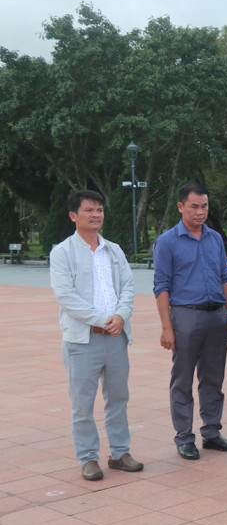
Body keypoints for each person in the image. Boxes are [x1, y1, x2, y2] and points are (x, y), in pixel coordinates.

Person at [50, 190, 143, 481]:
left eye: (100, 209)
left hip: (116, 337)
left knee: (118, 397)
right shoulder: (63, 252)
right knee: (83, 403)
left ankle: (119, 453)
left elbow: (128, 287)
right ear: (73, 215)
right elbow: (67, 297)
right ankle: (88, 458)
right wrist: (103, 320)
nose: (96, 214)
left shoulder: (113, 250)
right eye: (89, 210)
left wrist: (121, 316)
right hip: (82, 340)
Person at [153, 183, 227, 461]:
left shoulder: (215, 238)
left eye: (204, 206)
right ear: (181, 207)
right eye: (194, 206)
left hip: (216, 315)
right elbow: (161, 286)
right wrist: (166, 327)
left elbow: (224, 278)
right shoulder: (168, 241)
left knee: (213, 378)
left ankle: (212, 432)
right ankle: (184, 437)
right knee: (182, 379)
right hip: (185, 315)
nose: (200, 212)